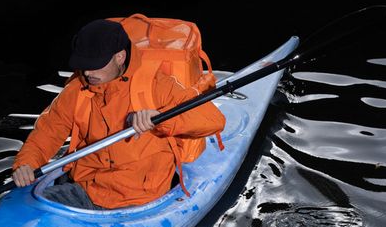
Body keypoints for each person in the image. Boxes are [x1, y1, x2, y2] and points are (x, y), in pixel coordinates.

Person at [11, 18, 226, 209]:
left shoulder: (157, 85)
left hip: (139, 196)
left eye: (95, 65)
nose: (87, 72)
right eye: (83, 65)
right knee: (26, 210)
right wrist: (26, 164)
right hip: (85, 188)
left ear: (120, 57)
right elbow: (47, 133)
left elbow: (213, 120)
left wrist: (160, 119)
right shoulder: (77, 89)